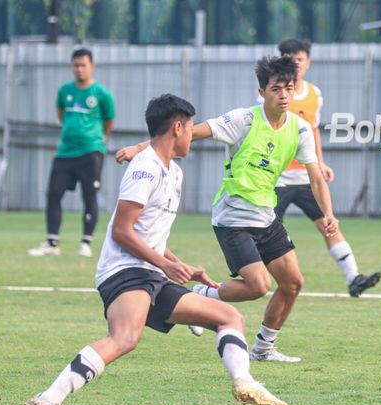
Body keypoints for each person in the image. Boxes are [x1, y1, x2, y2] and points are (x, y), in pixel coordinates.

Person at [25, 94, 288, 405]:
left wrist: (182, 266)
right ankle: (49, 398)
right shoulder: (145, 168)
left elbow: (149, 235)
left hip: (152, 275)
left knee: (229, 317)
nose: (193, 135)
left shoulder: (174, 172)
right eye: (191, 128)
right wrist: (165, 265)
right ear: (177, 128)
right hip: (124, 272)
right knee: (125, 338)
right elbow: (122, 230)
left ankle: (245, 384)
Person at [117, 56, 336, 363]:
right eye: (276, 89)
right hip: (233, 217)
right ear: (262, 92)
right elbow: (184, 133)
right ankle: (197, 298)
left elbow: (315, 177)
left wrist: (328, 214)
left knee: (293, 283)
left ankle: (263, 348)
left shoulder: (300, 129)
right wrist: (138, 148)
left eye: (289, 88)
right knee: (259, 285)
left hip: (265, 216)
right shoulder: (243, 120)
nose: (284, 95)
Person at [274, 38, 381, 298]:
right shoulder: (272, 93)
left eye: (299, 59)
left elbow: (313, 130)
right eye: (289, 59)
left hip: (305, 177)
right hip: (276, 179)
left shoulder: (314, 95)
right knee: (259, 232)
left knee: (329, 224)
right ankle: (229, 285)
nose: (295, 64)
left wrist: (320, 163)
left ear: (308, 63)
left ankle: (353, 278)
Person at [28, 48, 115, 258]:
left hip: (91, 152)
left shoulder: (102, 94)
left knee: (89, 195)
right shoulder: (64, 90)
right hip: (65, 152)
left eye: (83, 65)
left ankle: (85, 243)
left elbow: (109, 120)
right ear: (72, 66)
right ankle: (52, 242)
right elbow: (61, 114)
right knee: (53, 193)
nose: (79, 69)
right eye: (76, 65)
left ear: (91, 66)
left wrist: (100, 138)